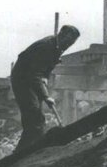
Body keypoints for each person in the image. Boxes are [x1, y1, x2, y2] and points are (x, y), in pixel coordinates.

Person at [11, 23, 81, 154]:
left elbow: (45, 70)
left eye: (72, 43)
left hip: (31, 77)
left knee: (37, 118)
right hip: (22, 79)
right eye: (68, 42)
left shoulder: (57, 47)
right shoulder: (47, 46)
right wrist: (46, 96)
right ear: (61, 35)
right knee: (34, 115)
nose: (69, 46)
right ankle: (21, 153)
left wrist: (45, 79)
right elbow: (35, 74)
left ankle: (30, 149)